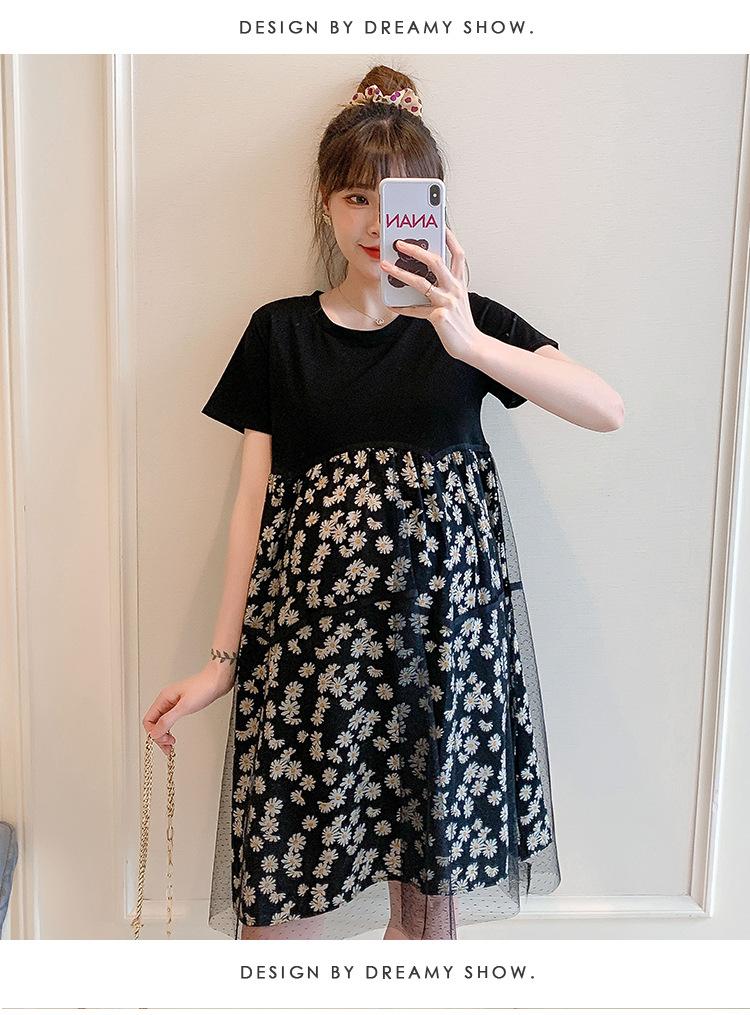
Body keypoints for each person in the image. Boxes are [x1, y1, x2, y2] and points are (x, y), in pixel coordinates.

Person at [143, 64, 625, 941]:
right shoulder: (280, 332)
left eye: (400, 200)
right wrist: (219, 661)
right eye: (357, 197)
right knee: (281, 917)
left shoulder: (468, 326)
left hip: (438, 661)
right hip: (309, 662)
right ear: (326, 203)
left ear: (434, 210)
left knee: (424, 929)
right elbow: (251, 506)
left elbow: (605, 408)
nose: (375, 223)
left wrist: (466, 339)